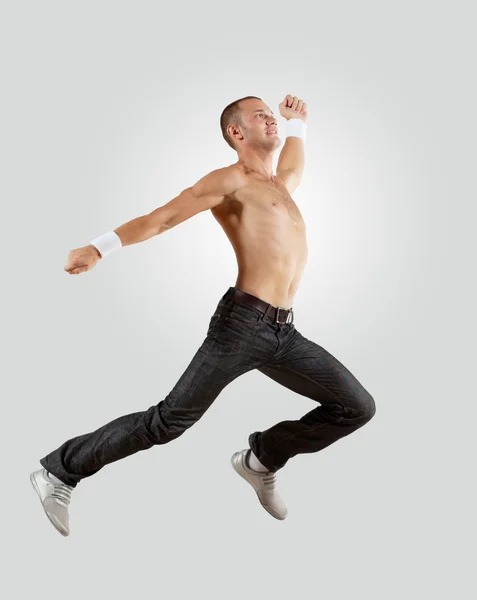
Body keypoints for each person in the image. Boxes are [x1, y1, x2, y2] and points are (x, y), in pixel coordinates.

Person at [30, 95, 376, 536]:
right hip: (242, 327)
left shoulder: (279, 185)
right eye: (260, 116)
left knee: (356, 407)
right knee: (167, 422)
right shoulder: (230, 180)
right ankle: (59, 471)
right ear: (237, 133)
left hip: (284, 334)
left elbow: (294, 163)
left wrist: (298, 125)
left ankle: (260, 459)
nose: (271, 119)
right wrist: (99, 247)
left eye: (272, 114)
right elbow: (163, 219)